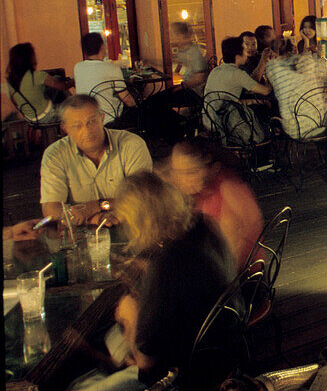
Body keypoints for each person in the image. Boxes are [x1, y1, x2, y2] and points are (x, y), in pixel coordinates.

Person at [109, 171, 239, 391]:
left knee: (93, 370)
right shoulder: (202, 225)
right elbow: (184, 277)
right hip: (225, 342)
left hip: (188, 373)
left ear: (141, 221)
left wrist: (131, 316)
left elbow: (146, 363)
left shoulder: (166, 264)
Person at [40, 95, 153, 226]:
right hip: (83, 233)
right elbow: (51, 211)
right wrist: (95, 218)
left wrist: (96, 206)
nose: (87, 131)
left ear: (102, 118)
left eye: (92, 121)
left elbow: (143, 198)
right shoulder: (55, 154)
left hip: (132, 226)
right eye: (77, 126)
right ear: (65, 129)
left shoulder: (131, 144)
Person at [168, 139, 263, 271]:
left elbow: (230, 261)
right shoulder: (199, 193)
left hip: (240, 280)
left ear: (213, 168)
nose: (182, 180)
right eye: (177, 172)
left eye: (191, 172)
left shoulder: (228, 191)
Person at [203, 37, 272, 143]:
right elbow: (265, 91)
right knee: (265, 114)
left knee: (259, 106)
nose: (247, 54)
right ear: (237, 56)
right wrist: (270, 77)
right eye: (244, 51)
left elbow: (230, 101)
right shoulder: (238, 74)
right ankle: (262, 146)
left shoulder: (215, 71)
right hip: (229, 126)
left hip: (210, 121)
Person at [265, 40, 327, 140]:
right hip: (319, 124)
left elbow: (268, 86)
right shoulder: (308, 65)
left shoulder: (274, 70)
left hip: (294, 129)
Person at [74, 32, 138, 127]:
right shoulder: (111, 68)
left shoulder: (77, 67)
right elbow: (127, 100)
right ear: (102, 47)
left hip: (86, 120)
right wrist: (137, 107)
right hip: (111, 121)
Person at [4, 42, 68, 122]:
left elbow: (15, 101)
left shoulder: (11, 80)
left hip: (29, 118)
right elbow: (62, 86)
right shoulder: (37, 76)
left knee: (54, 81)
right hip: (47, 115)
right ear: (29, 58)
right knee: (59, 83)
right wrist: (72, 82)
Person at [169, 22, 208, 98]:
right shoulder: (183, 51)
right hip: (187, 88)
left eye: (172, 34)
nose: (170, 37)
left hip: (194, 92)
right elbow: (179, 64)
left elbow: (199, 79)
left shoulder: (194, 52)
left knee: (159, 100)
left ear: (180, 36)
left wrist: (181, 87)